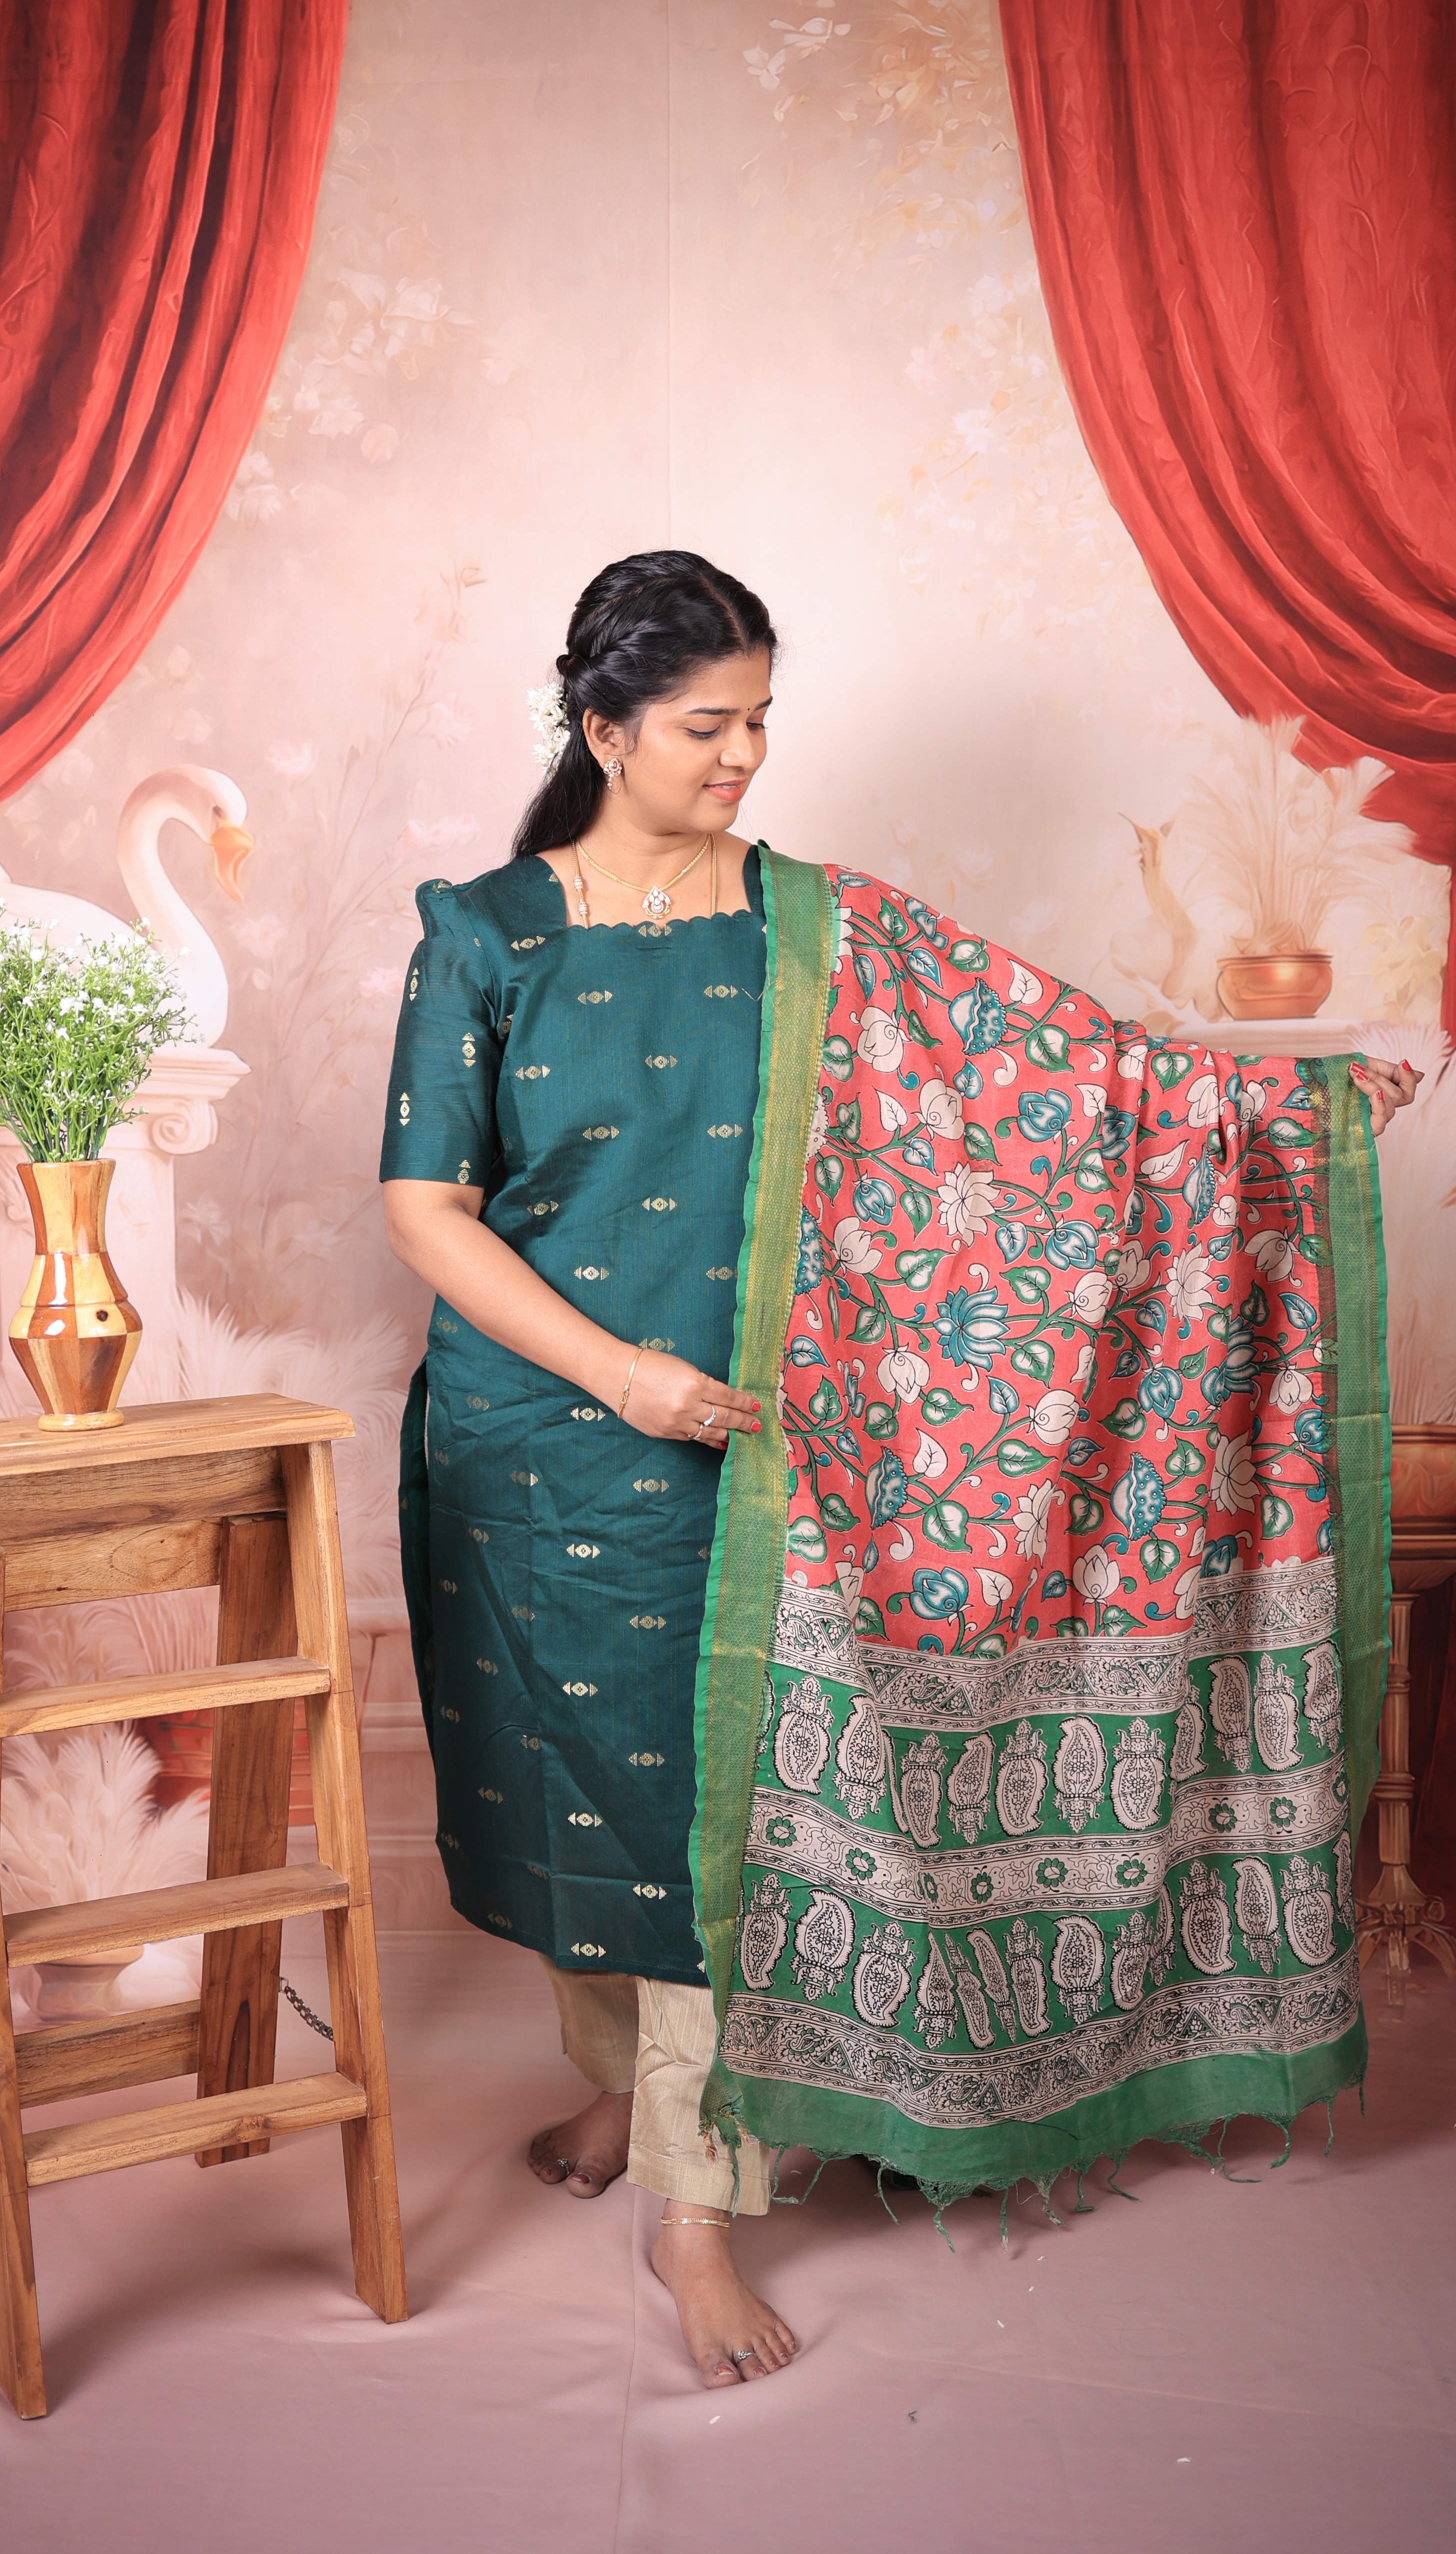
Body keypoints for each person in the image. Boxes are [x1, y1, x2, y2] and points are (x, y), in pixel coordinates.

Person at [380, 550, 1416, 2392]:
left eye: (762, 720)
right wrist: (622, 1376)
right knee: (566, 1809)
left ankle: (696, 2205)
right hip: (534, 1440)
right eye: (706, 727)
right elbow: (426, 1208)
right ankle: (626, 2088)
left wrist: (1287, 1111)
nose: (744, 758)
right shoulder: (484, 934)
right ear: (603, 728)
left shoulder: (826, 932)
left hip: (761, 1453)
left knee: (705, 1831)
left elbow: (1067, 1082)